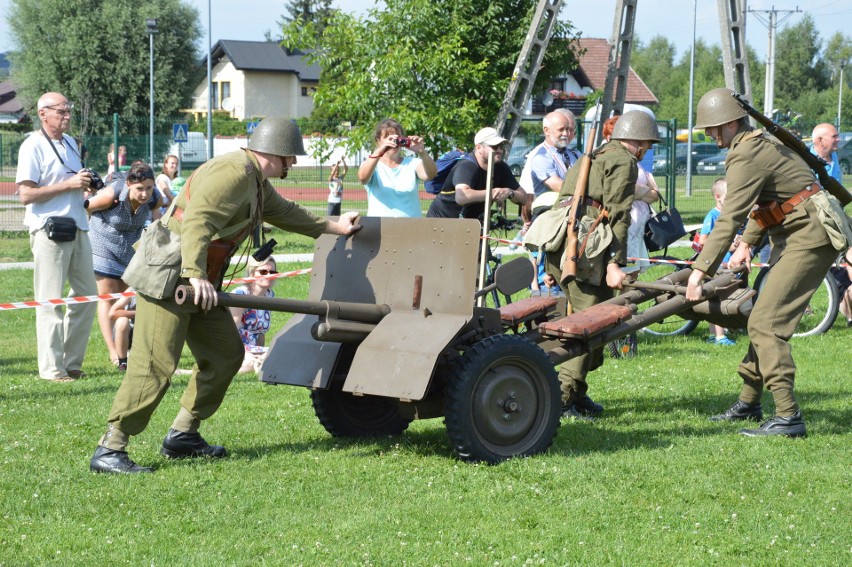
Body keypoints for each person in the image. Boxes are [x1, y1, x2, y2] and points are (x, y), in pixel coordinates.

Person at [89, 117, 362, 474]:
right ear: (276, 152)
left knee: (225, 354)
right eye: (290, 157)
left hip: (197, 278)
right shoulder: (232, 173)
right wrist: (194, 274)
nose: (292, 164)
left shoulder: (254, 179)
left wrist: (334, 227)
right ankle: (110, 448)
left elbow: (284, 212)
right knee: (155, 365)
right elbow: (197, 221)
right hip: (172, 273)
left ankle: (183, 434)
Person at [687, 87, 844, 438]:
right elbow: (770, 200)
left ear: (730, 123)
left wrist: (700, 271)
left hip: (809, 236)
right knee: (762, 316)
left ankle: (788, 416)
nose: (711, 136)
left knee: (766, 323)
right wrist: (747, 244)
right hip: (801, 230)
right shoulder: (758, 143)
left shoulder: (746, 153)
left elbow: (730, 216)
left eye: (713, 129)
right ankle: (749, 402)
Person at [543, 110, 660, 419]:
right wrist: (615, 263)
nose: (646, 150)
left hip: (565, 245)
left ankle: (577, 394)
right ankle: (562, 398)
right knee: (589, 325)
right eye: (646, 144)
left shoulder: (591, 156)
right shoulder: (623, 161)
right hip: (585, 250)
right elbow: (621, 214)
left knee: (595, 321)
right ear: (637, 141)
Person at [16, 91, 98, 383]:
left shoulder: (72, 145)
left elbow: (72, 181)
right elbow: (26, 194)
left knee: (88, 296)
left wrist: (85, 186)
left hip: (78, 226)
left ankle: (72, 363)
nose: (67, 115)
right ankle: (52, 369)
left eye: (69, 110)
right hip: (49, 230)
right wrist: (69, 184)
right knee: (50, 301)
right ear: (43, 114)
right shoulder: (32, 146)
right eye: (61, 111)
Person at [86, 161, 163, 368]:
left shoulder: (154, 198)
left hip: (129, 250)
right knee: (108, 297)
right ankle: (113, 353)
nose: (145, 194)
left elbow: (158, 223)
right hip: (103, 244)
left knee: (124, 298)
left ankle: (127, 347)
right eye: (139, 189)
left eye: (148, 188)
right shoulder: (112, 195)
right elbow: (86, 208)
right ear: (129, 184)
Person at [426, 127, 526, 219]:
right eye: (494, 147)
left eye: (501, 146)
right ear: (479, 148)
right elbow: (462, 196)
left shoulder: (501, 167)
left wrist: (509, 192)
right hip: (440, 222)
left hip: (472, 225)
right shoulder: (467, 166)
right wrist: (492, 193)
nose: (499, 150)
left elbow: (523, 197)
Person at [358, 118, 437, 218]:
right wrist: (380, 151)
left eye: (397, 138)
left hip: (410, 228)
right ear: (378, 140)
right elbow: (363, 178)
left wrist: (422, 153)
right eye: (387, 137)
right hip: (379, 228)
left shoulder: (412, 163)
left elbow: (431, 175)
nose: (393, 142)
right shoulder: (372, 164)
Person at [695, 177, 739, 346]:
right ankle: (719, 336)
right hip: (717, 266)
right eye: (729, 198)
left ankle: (715, 335)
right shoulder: (713, 216)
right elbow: (703, 241)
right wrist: (727, 246)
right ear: (718, 197)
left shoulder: (728, 215)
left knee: (722, 298)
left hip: (728, 265)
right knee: (718, 300)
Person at [230, 256, 279, 373]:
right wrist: (246, 353)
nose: (268, 275)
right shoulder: (241, 294)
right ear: (252, 273)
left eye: (272, 272)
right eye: (263, 272)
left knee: (279, 354)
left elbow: (260, 333)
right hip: (234, 347)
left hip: (253, 349)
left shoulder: (269, 295)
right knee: (252, 363)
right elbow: (231, 331)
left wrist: (261, 352)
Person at [528, 110, 580, 197]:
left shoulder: (575, 153)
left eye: (568, 129)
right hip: (552, 209)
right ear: (547, 131)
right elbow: (562, 188)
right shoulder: (541, 158)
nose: (566, 134)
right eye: (561, 129)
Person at [108, 293, 137, 372]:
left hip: (150, 330)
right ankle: (123, 362)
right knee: (122, 321)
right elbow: (112, 313)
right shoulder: (133, 291)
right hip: (131, 332)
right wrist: (137, 313)